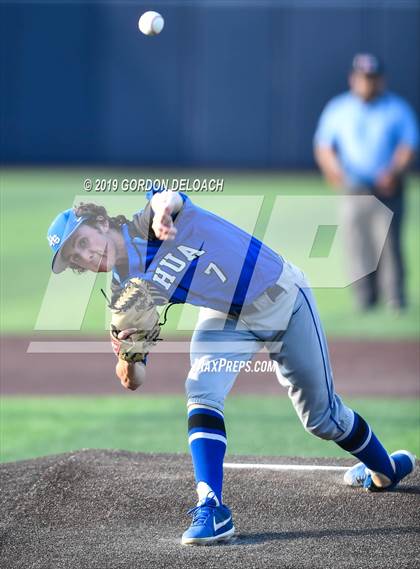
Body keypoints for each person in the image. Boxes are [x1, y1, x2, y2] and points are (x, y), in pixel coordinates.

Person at [47, 189, 415, 545]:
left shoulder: (147, 223)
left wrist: (161, 212)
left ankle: (386, 468)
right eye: (75, 259)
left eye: (81, 242)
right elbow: (135, 380)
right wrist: (127, 357)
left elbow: (168, 198)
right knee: (202, 389)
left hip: (282, 297)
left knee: (323, 419)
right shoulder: (124, 293)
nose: (85, 257)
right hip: (226, 317)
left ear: (98, 222)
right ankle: (211, 506)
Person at [314, 53, 419, 311]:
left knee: (389, 242)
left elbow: (408, 144)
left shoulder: (396, 108)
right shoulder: (339, 108)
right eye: (362, 78)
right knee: (356, 242)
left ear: (380, 80)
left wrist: (394, 170)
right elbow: (324, 145)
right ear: (353, 79)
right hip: (354, 186)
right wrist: (334, 172)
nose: (367, 84)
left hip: (388, 187)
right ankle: (364, 299)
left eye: (372, 78)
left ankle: (395, 298)